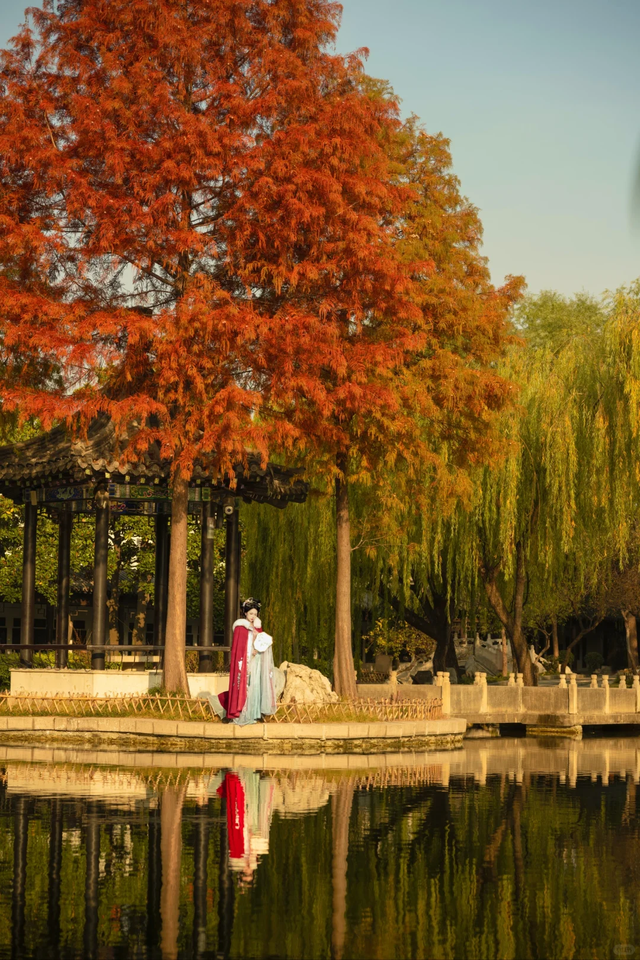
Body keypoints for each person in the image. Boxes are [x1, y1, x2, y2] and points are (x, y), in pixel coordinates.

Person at [209, 598, 278, 725]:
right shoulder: (240, 626)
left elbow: (263, 642)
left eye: (255, 614)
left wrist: (261, 645)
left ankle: (254, 713)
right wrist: (250, 649)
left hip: (256, 661)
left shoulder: (258, 627)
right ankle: (242, 713)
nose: (253, 616)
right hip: (245, 661)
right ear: (245, 613)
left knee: (255, 685)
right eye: (251, 613)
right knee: (244, 686)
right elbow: (239, 647)